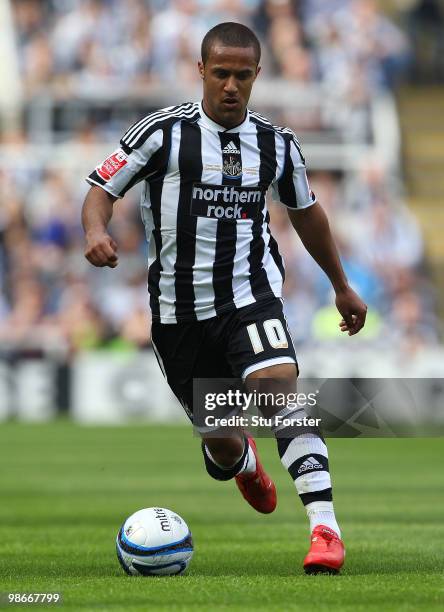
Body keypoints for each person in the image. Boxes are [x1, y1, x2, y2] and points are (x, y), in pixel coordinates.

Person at [82, 22, 367, 574]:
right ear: (201, 72)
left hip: (249, 296)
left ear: (258, 75)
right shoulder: (161, 134)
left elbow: (307, 213)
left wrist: (341, 283)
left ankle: (325, 530)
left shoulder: (277, 145)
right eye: (221, 74)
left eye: (242, 75)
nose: (231, 85)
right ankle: (242, 463)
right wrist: (95, 231)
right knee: (223, 443)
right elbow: (101, 188)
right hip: (177, 313)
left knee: (279, 388)